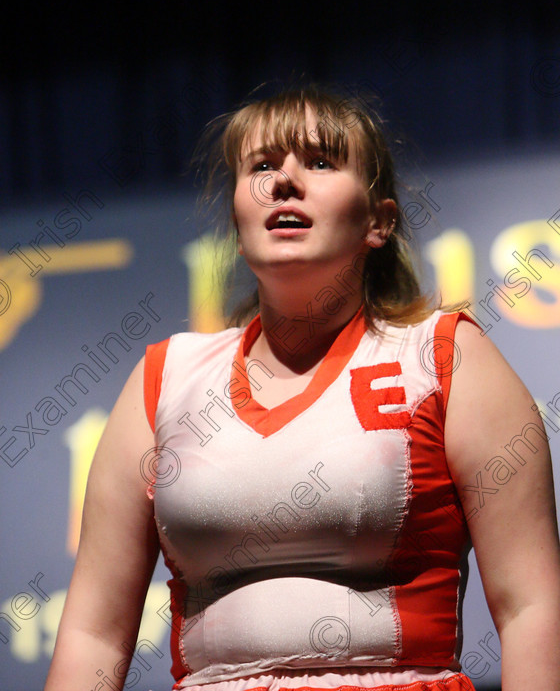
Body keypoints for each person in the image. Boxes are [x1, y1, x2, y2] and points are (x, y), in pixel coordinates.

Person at [44, 85, 560, 691]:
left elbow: (532, 607)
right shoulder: (166, 379)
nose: (283, 182)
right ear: (238, 227)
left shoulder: (445, 356)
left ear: (378, 222)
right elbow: (93, 635)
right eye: (261, 167)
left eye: (319, 162)